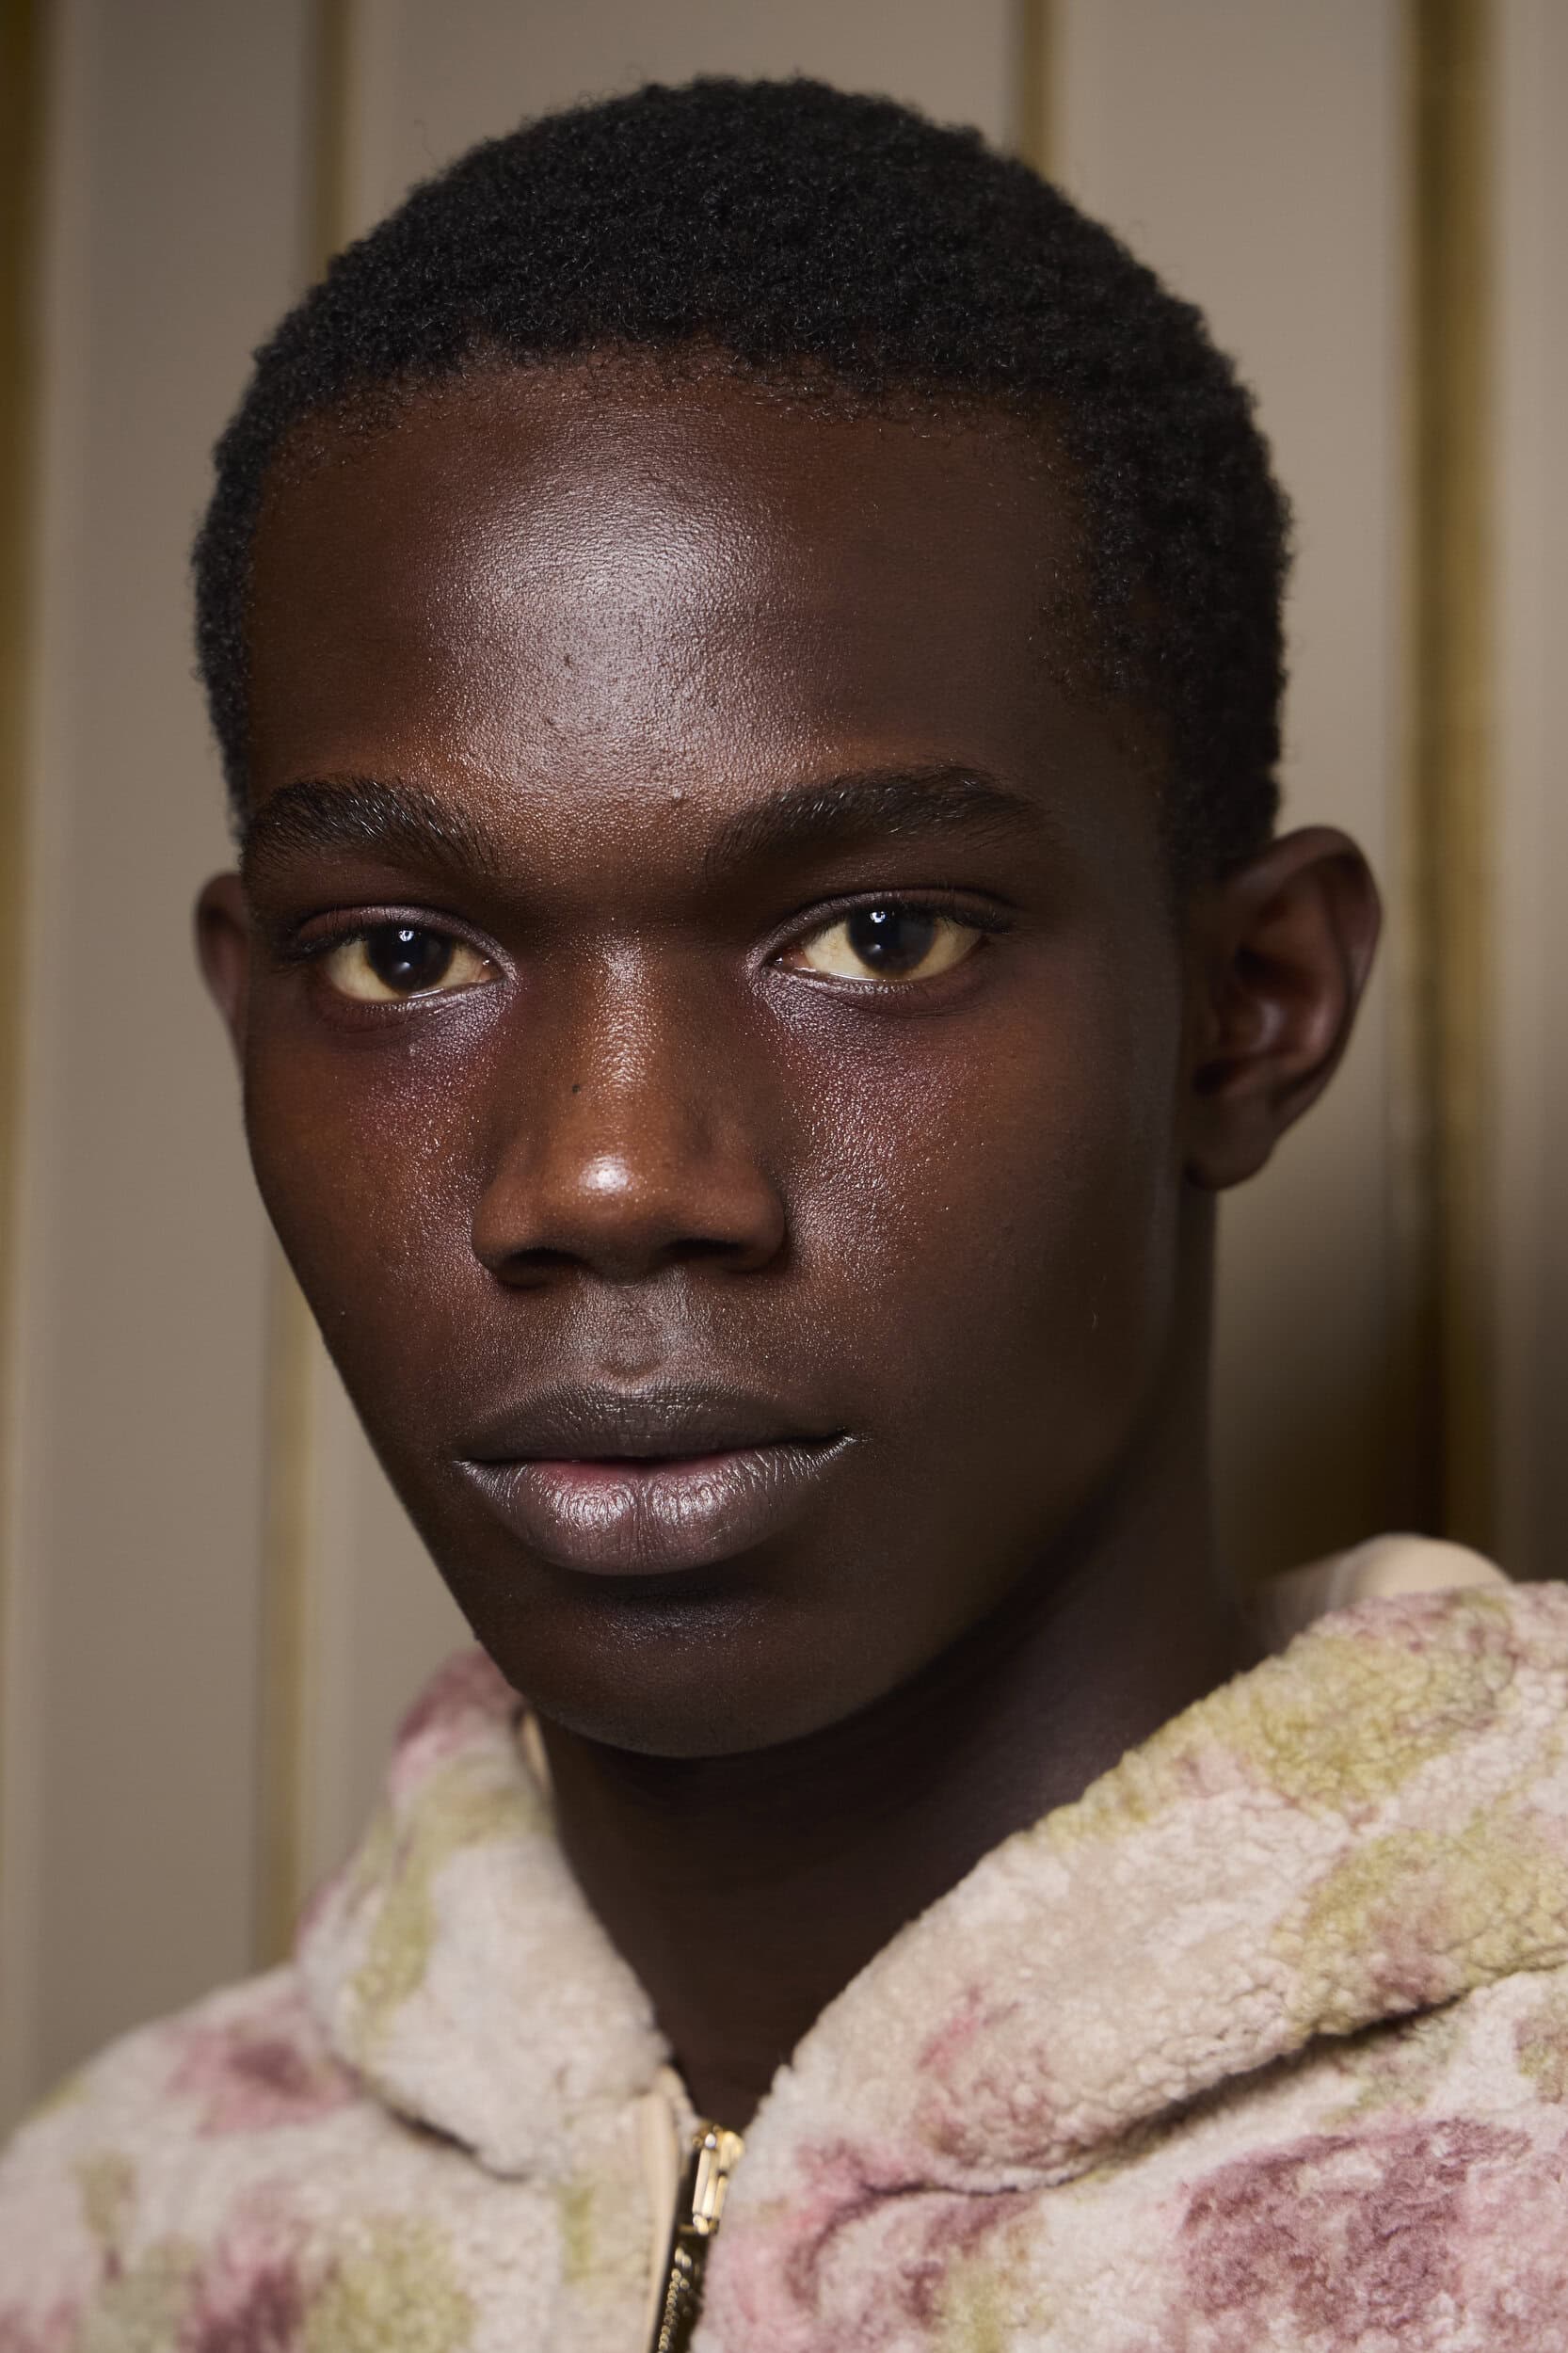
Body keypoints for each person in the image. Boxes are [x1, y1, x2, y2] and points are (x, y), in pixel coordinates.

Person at [1, 74, 1562, 2353]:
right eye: (405, 957)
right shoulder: (96, 2235)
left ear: (1247, 1009)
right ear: (250, 1020)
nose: (606, 1175)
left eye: (875, 935)